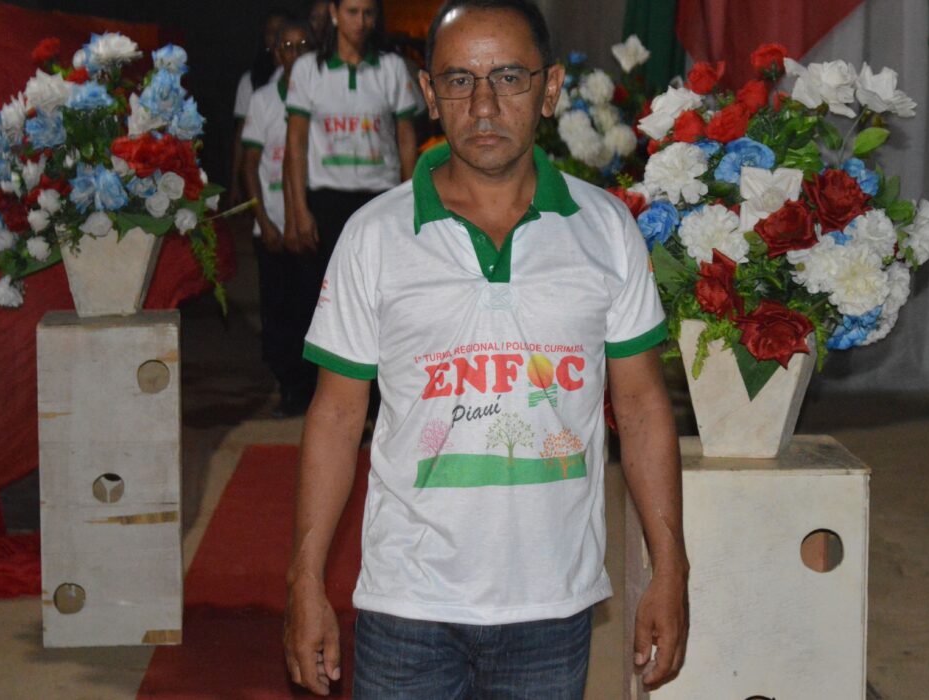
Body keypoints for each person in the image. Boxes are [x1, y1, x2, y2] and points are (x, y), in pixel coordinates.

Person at [282, 0, 688, 696]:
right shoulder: (374, 236)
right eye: (459, 80)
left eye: (508, 77)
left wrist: (670, 568)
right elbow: (337, 415)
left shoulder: (605, 229)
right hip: (406, 601)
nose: (484, 104)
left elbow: (643, 406)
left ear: (550, 88)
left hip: (551, 603)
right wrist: (304, 578)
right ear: (428, 94)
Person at [281, 0, 420, 410]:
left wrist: (411, 200)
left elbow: (406, 138)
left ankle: (380, 403)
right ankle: (328, 401)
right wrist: (298, 210)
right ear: (334, 13)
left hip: (380, 199)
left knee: (384, 302)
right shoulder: (309, 70)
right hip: (327, 200)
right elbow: (295, 144)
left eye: (368, 13)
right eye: (352, 12)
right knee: (325, 304)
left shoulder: (391, 68)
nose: (361, 22)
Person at [242, 20, 316, 417]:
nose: (296, 53)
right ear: (276, 54)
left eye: (304, 45)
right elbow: (250, 165)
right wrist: (264, 221)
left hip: (310, 226)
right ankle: (290, 387)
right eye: (288, 46)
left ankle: (316, 388)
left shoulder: (324, 97)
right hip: (271, 224)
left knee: (313, 310)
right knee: (278, 314)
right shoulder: (263, 100)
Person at [232, 9, 292, 216]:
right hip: (265, 180)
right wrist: (235, 183)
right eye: (270, 32)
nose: (276, 37)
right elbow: (241, 136)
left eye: (281, 30)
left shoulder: (311, 80)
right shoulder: (252, 81)